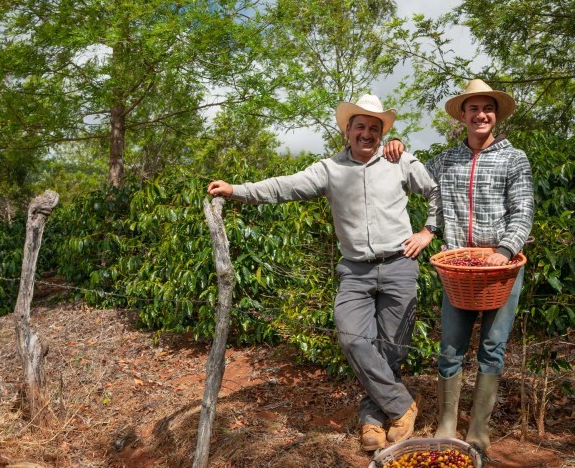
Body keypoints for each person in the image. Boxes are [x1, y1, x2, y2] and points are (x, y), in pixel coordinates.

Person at [207, 95, 442, 450]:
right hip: (355, 270)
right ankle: (401, 405)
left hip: (398, 265)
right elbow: (282, 187)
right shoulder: (329, 169)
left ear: (382, 133)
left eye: (374, 128)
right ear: (347, 130)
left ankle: (372, 422)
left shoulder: (400, 160)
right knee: (351, 338)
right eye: (360, 127)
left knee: (391, 350)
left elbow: (436, 192)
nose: (366, 134)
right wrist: (236, 191)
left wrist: (428, 232)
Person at [384, 79, 534, 454]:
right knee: (450, 347)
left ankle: (479, 428)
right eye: (473, 109)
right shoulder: (446, 160)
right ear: (463, 117)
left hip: (501, 267)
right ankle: (449, 421)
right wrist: (398, 149)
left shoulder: (514, 158)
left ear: (495, 116)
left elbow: (523, 212)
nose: (480, 115)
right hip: (459, 268)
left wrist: (504, 249)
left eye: (487, 109)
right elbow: (412, 177)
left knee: (493, 347)